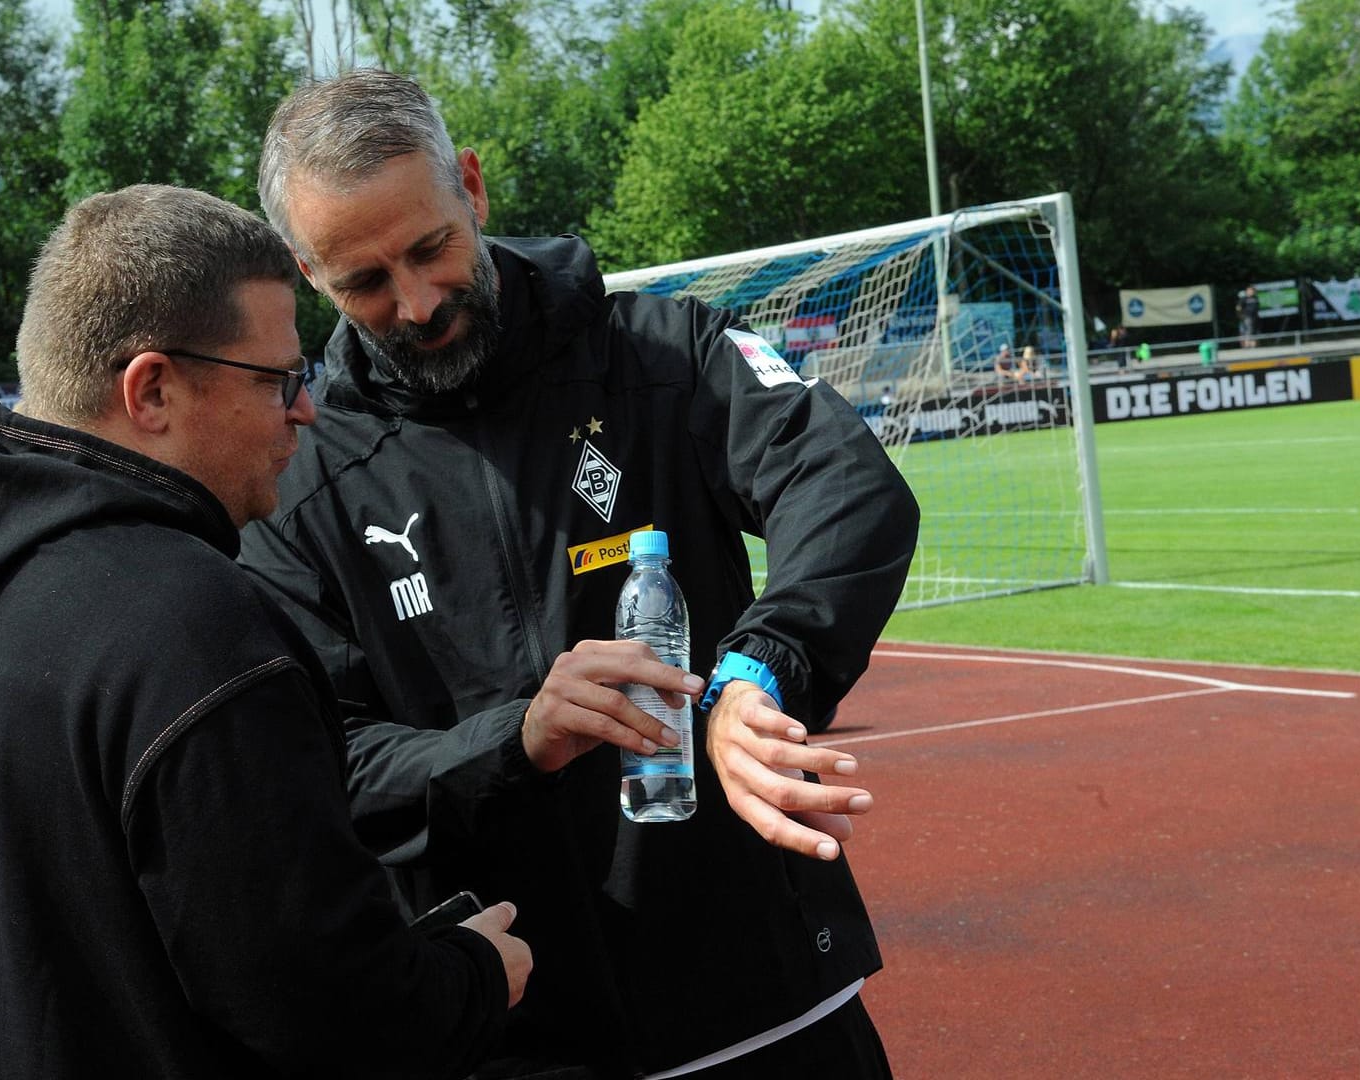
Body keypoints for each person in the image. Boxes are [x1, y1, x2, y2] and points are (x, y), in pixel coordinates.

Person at [240, 70, 917, 1078]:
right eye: (365, 283)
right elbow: (322, 760)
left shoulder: (660, 353)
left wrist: (760, 670)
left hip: (761, 994)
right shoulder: (304, 478)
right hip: (509, 1028)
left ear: (470, 186)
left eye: (431, 248)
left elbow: (847, 486)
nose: (417, 303)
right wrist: (513, 741)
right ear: (307, 270)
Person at [0, 184, 527, 1080]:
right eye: (280, 379)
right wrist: (474, 975)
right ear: (153, 389)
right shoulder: (194, 630)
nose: (307, 411)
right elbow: (323, 1011)